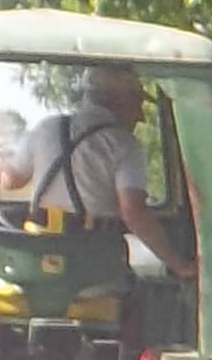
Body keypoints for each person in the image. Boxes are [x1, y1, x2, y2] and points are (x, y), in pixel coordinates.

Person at [16, 64, 195, 279]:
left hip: (38, 263)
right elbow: (133, 212)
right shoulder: (124, 144)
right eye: (137, 103)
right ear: (118, 100)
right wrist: (179, 265)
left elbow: (12, 179)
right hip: (93, 265)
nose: (141, 117)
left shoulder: (46, 128)